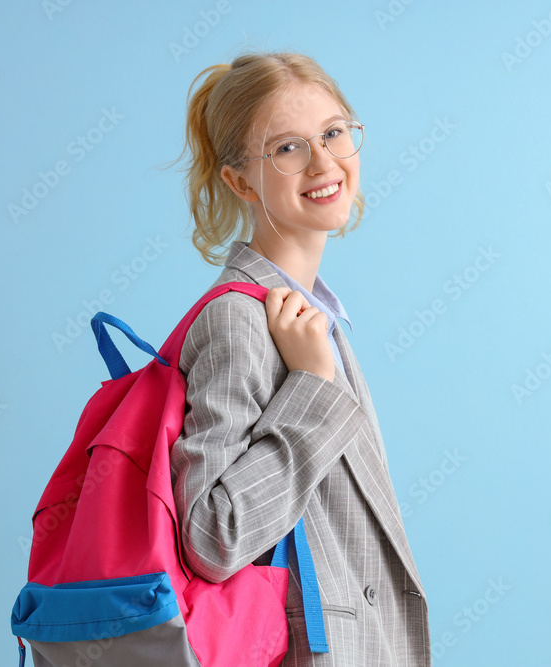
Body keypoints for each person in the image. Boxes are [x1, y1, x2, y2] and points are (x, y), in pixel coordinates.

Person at [169, 50, 431, 666]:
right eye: (288, 148)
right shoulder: (239, 321)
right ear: (240, 181)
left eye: (335, 133)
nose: (325, 162)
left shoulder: (315, 316)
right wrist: (312, 384)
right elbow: (211, 534)